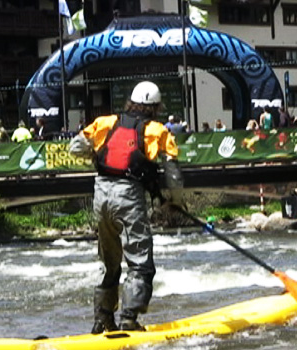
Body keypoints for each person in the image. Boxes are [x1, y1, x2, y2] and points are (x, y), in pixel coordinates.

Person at [80, 81, 179, 334]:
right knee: (140, 263)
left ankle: (103, 319)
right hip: (129, 198)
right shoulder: (158, 131)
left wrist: (96, 159)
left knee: (110, 262)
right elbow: (173, 174)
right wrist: (173, 200)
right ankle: (129, 319)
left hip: (100, 194)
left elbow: (75, 147)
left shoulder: (105, 123)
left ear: (130, 102)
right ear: (155, 107)